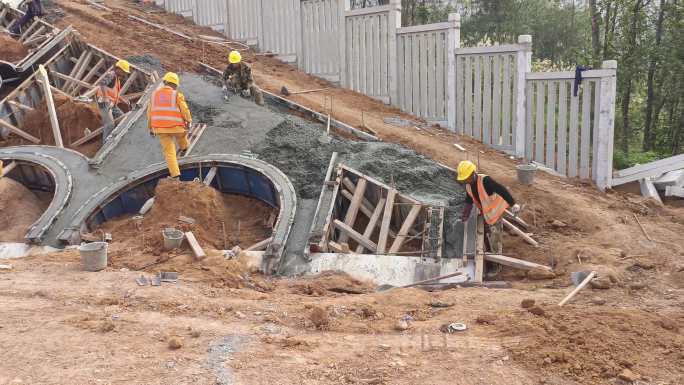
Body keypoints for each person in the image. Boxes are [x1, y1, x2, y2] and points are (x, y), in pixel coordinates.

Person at [457, 160, 520, 254]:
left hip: (495, 212)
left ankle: (497, 260)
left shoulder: (485, 181)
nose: (466, 181)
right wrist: (465, 214)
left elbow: (501, 189)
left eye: (466, 179)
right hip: (487, 214)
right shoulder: (468, 186)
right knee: (488, 232)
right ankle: (490, 247)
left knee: (495, 237)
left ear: (473, 174)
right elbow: (469, 200)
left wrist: (513, 204)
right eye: (464, 180)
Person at [148, 72, 192, 179]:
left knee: (169, 152)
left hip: (160, 128)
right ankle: (184, 147)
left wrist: (150, 127)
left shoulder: (154, 95)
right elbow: (184, 110)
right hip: (176, 126)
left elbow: (149, 113)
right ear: (175, 85)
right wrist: (189, 120)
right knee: (182, 137)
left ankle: (175, 174)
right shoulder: (177, 95)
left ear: (165, 82)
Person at [96, 59, 130, 142]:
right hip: (104, 103)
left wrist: (123, 100)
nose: (124, 74)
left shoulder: (117, 78)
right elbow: (102, 84)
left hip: (112, 104)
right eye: (123, 71)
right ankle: (105, 144)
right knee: (110, 124)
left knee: (123, 118)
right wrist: (105, 97)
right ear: (118, 68)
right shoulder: (112, 75)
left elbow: (114, 93)